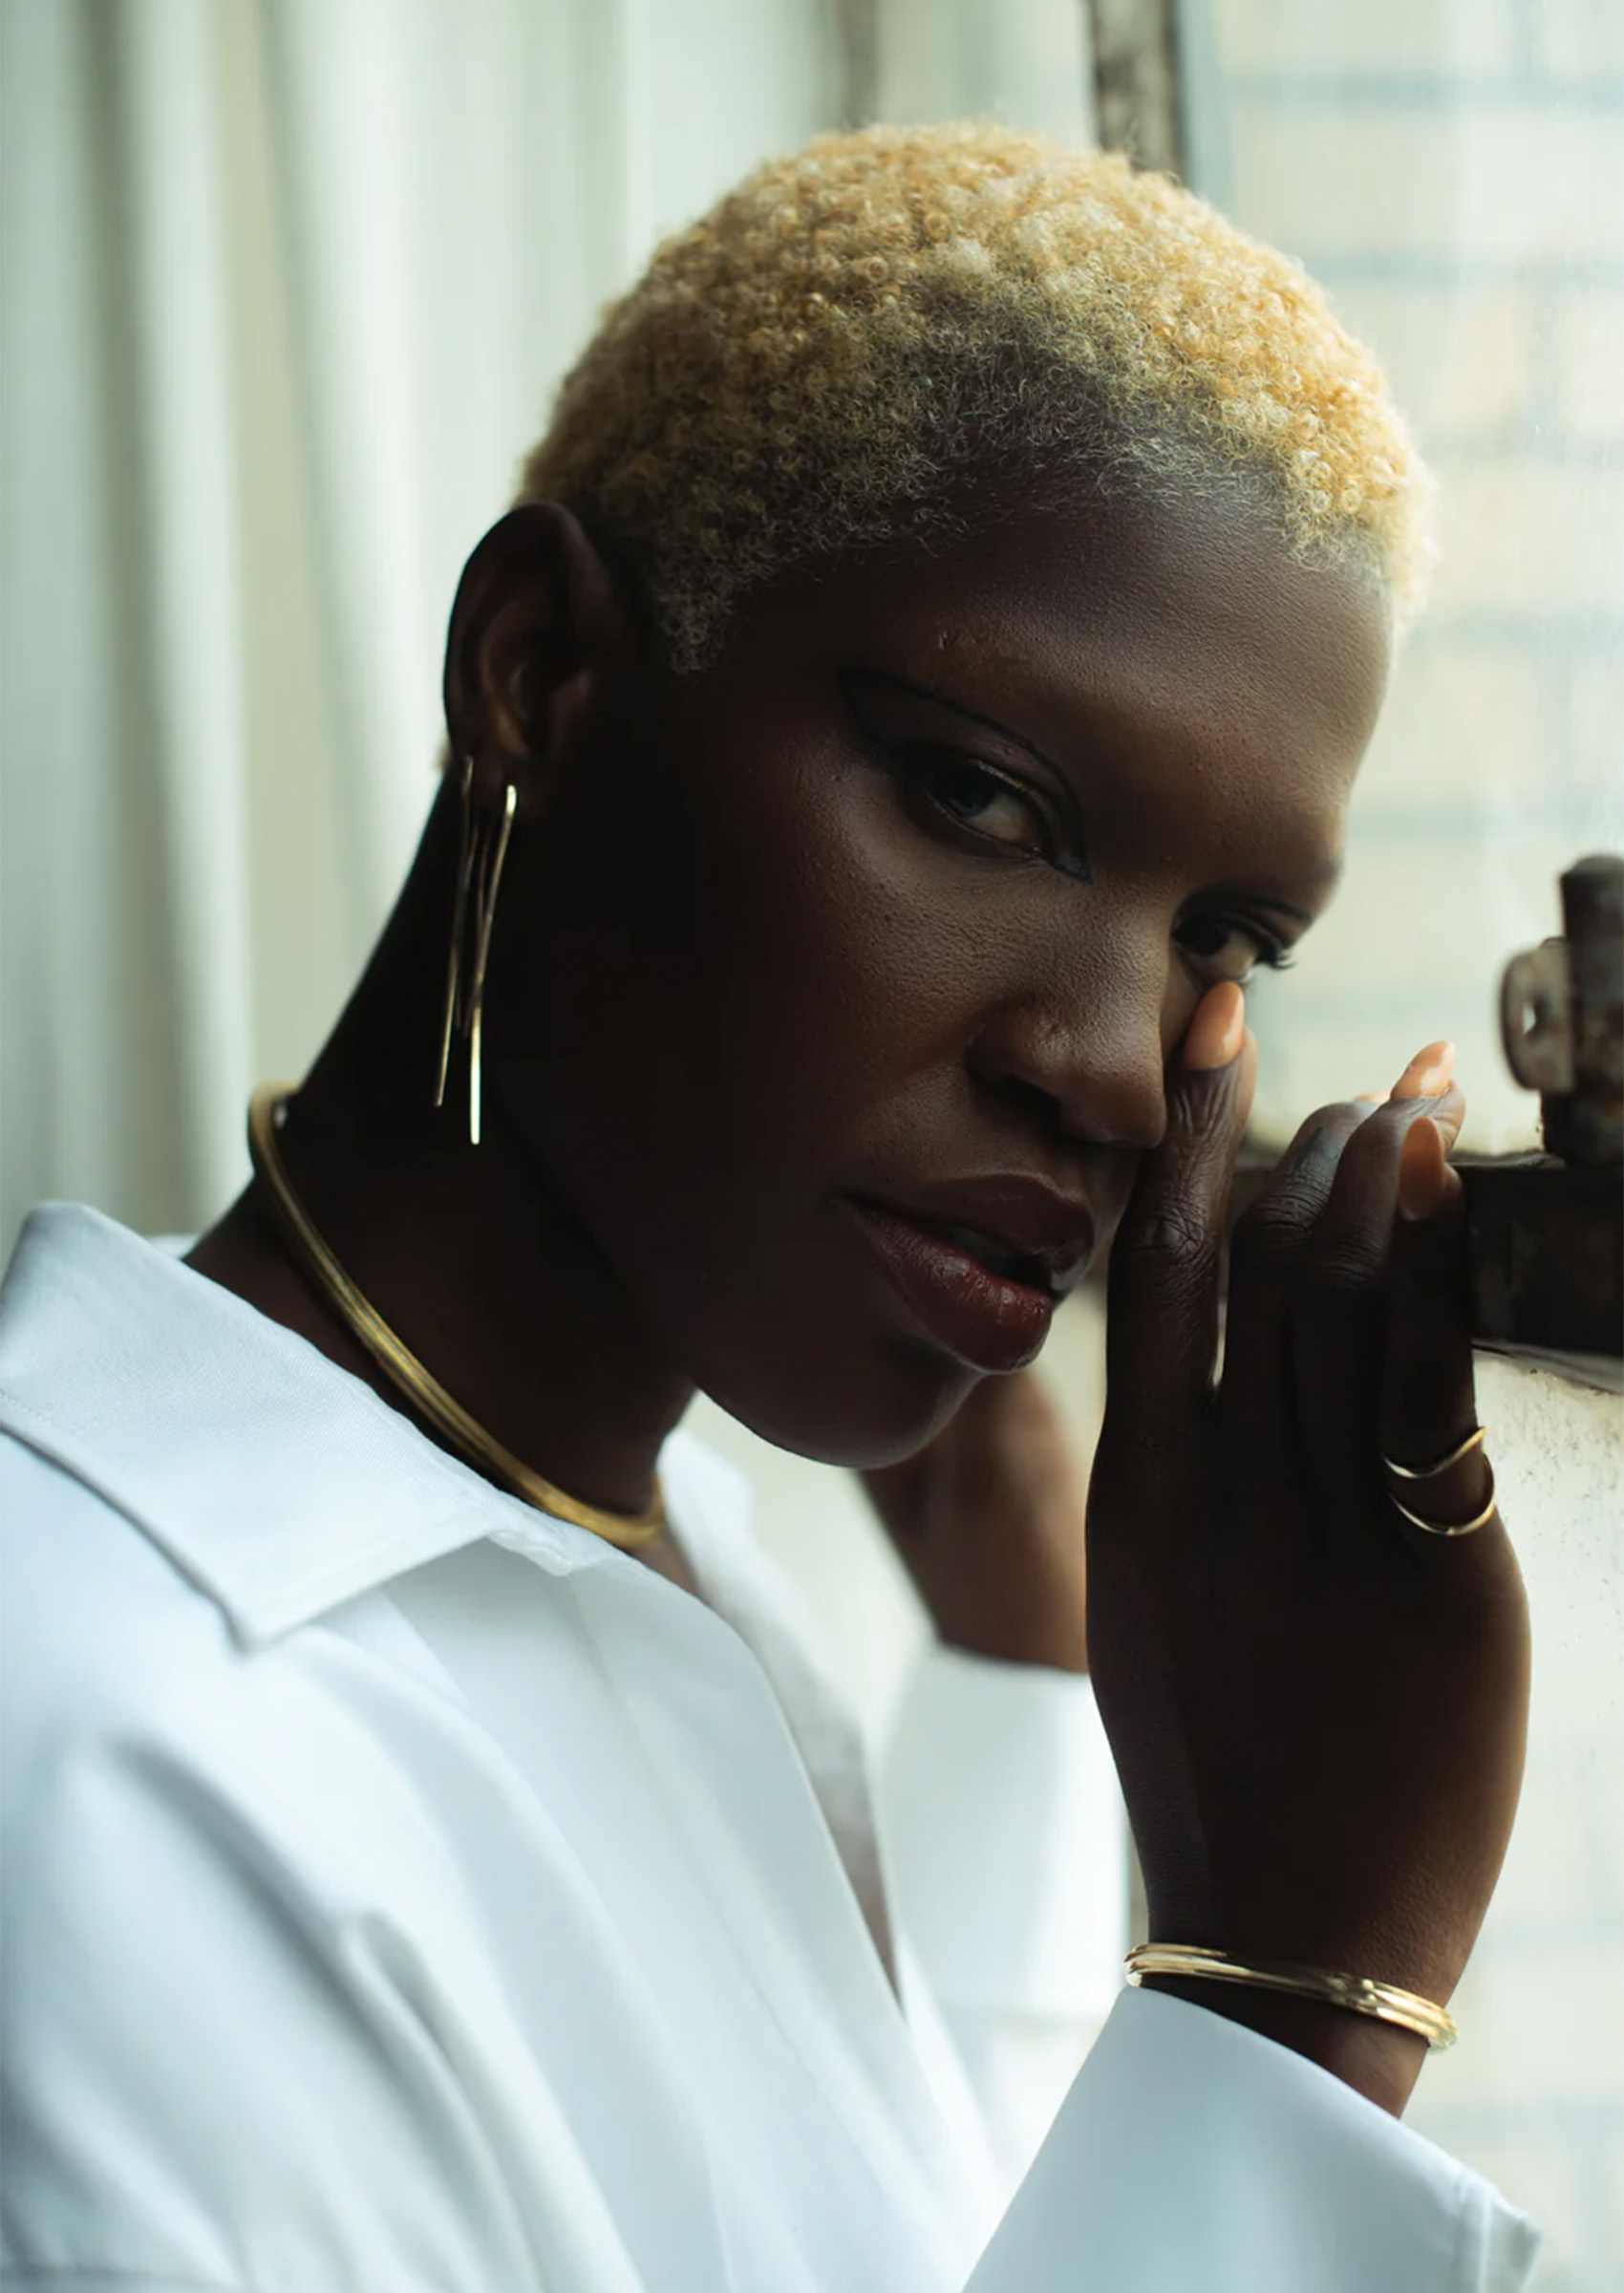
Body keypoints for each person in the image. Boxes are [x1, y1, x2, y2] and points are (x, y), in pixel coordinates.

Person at [0, 122, 1537, 2289]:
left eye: (1230, 939)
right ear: (535, 670)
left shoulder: (661, 1568)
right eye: (982, 798)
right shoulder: (122, 1765)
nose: (1113, 1068)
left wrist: (1018, 1651)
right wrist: (1291, 1992)